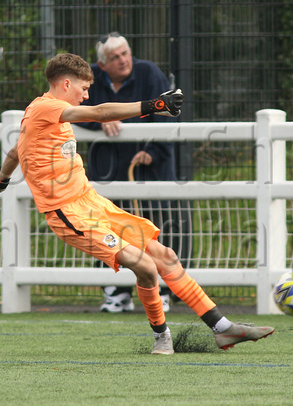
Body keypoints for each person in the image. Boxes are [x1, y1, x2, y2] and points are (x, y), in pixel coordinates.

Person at [0, 52, 274, 355]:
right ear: (65, 83)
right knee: (146, 266)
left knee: (165, 256)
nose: (86, 94)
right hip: (68, 213)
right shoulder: (48, 107)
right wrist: (153, 106)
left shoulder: (40, 114)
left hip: (91, 203)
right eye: (83, 88)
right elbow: (101, 112)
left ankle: (222, 328)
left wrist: (1, 179)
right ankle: (162, 337)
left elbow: (18, 150)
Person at [76, 32, 184, 314]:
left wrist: (154, 151)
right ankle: (116, 292)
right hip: (108, 171)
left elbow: (170, 109)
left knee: (154, 230)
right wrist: (100, 122)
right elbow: (74, 110)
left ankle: (162, 290)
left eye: (126, 53)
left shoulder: (149, 72)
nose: (124, 60)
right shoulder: (92, 81)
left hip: (151, 169)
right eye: (115, 57)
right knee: (110, 232)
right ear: (102, 65)